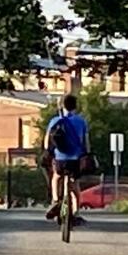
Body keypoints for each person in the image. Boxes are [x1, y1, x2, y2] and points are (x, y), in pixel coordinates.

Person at [44, 93, 90, 221]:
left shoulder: (55, 120)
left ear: (62, 105)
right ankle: (76, 211)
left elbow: (47, 140)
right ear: (75, 106)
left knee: (56, 177)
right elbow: (86, 141)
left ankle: (55, 200)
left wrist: (48, 151)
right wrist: (87, 153)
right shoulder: (81, 121)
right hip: (75, 159)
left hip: (60, 158)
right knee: (75, 183)